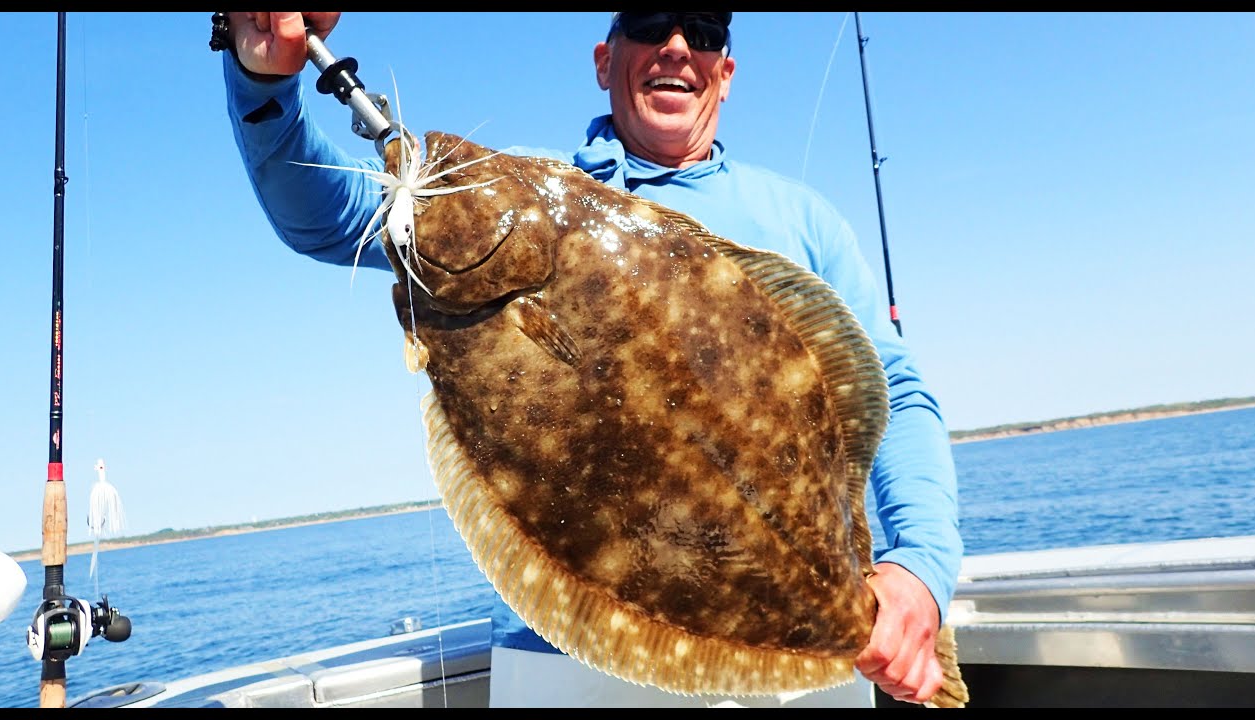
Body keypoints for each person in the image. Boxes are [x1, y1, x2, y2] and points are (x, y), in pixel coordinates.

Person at [216, 11, 962, 707]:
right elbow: (324, 213)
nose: (676, 47)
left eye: (701, 30)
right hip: (561, 670)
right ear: (605, 61)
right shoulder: (533, 186)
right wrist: (265, 79)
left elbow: (894, 395)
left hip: (792, 689)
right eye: (648, 23)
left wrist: (919, 571)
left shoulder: (802, 220)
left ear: (725, 74)